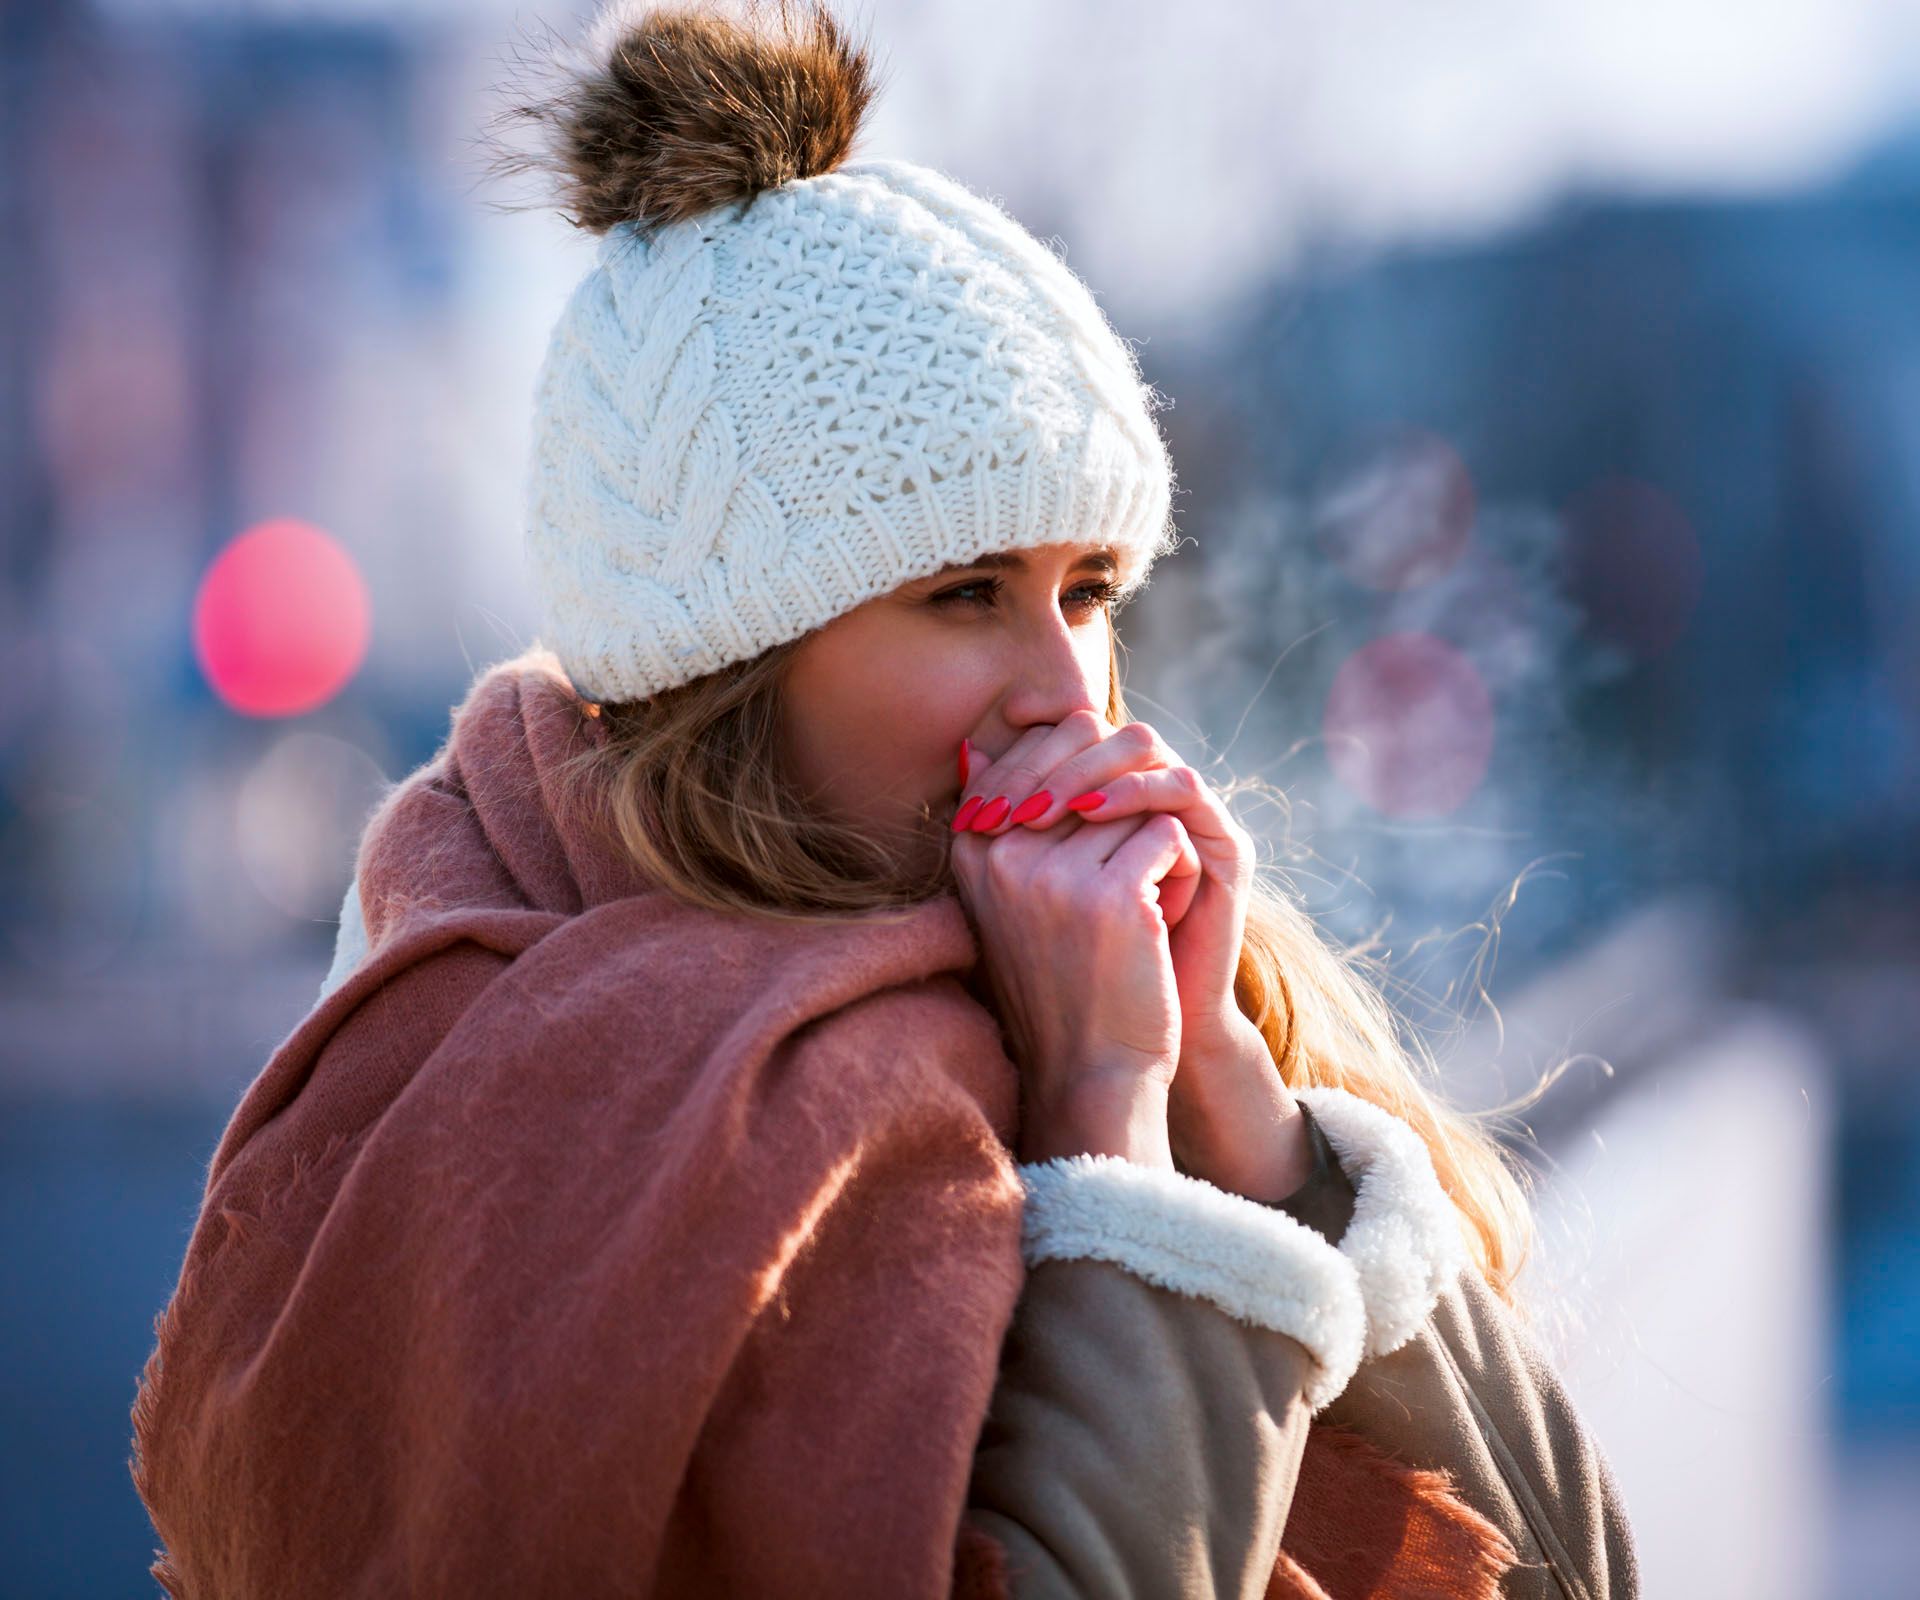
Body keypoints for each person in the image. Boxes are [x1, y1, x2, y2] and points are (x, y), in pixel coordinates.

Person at [130, 3, 1640, 1596]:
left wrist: (1238, 1107)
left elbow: (1578, 1572)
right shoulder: (535, 1073)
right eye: (968, 591)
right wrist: (1103, 1132)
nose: (1067, 688)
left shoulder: (1151, 980)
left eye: (1091, 588)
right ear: (733, 668)